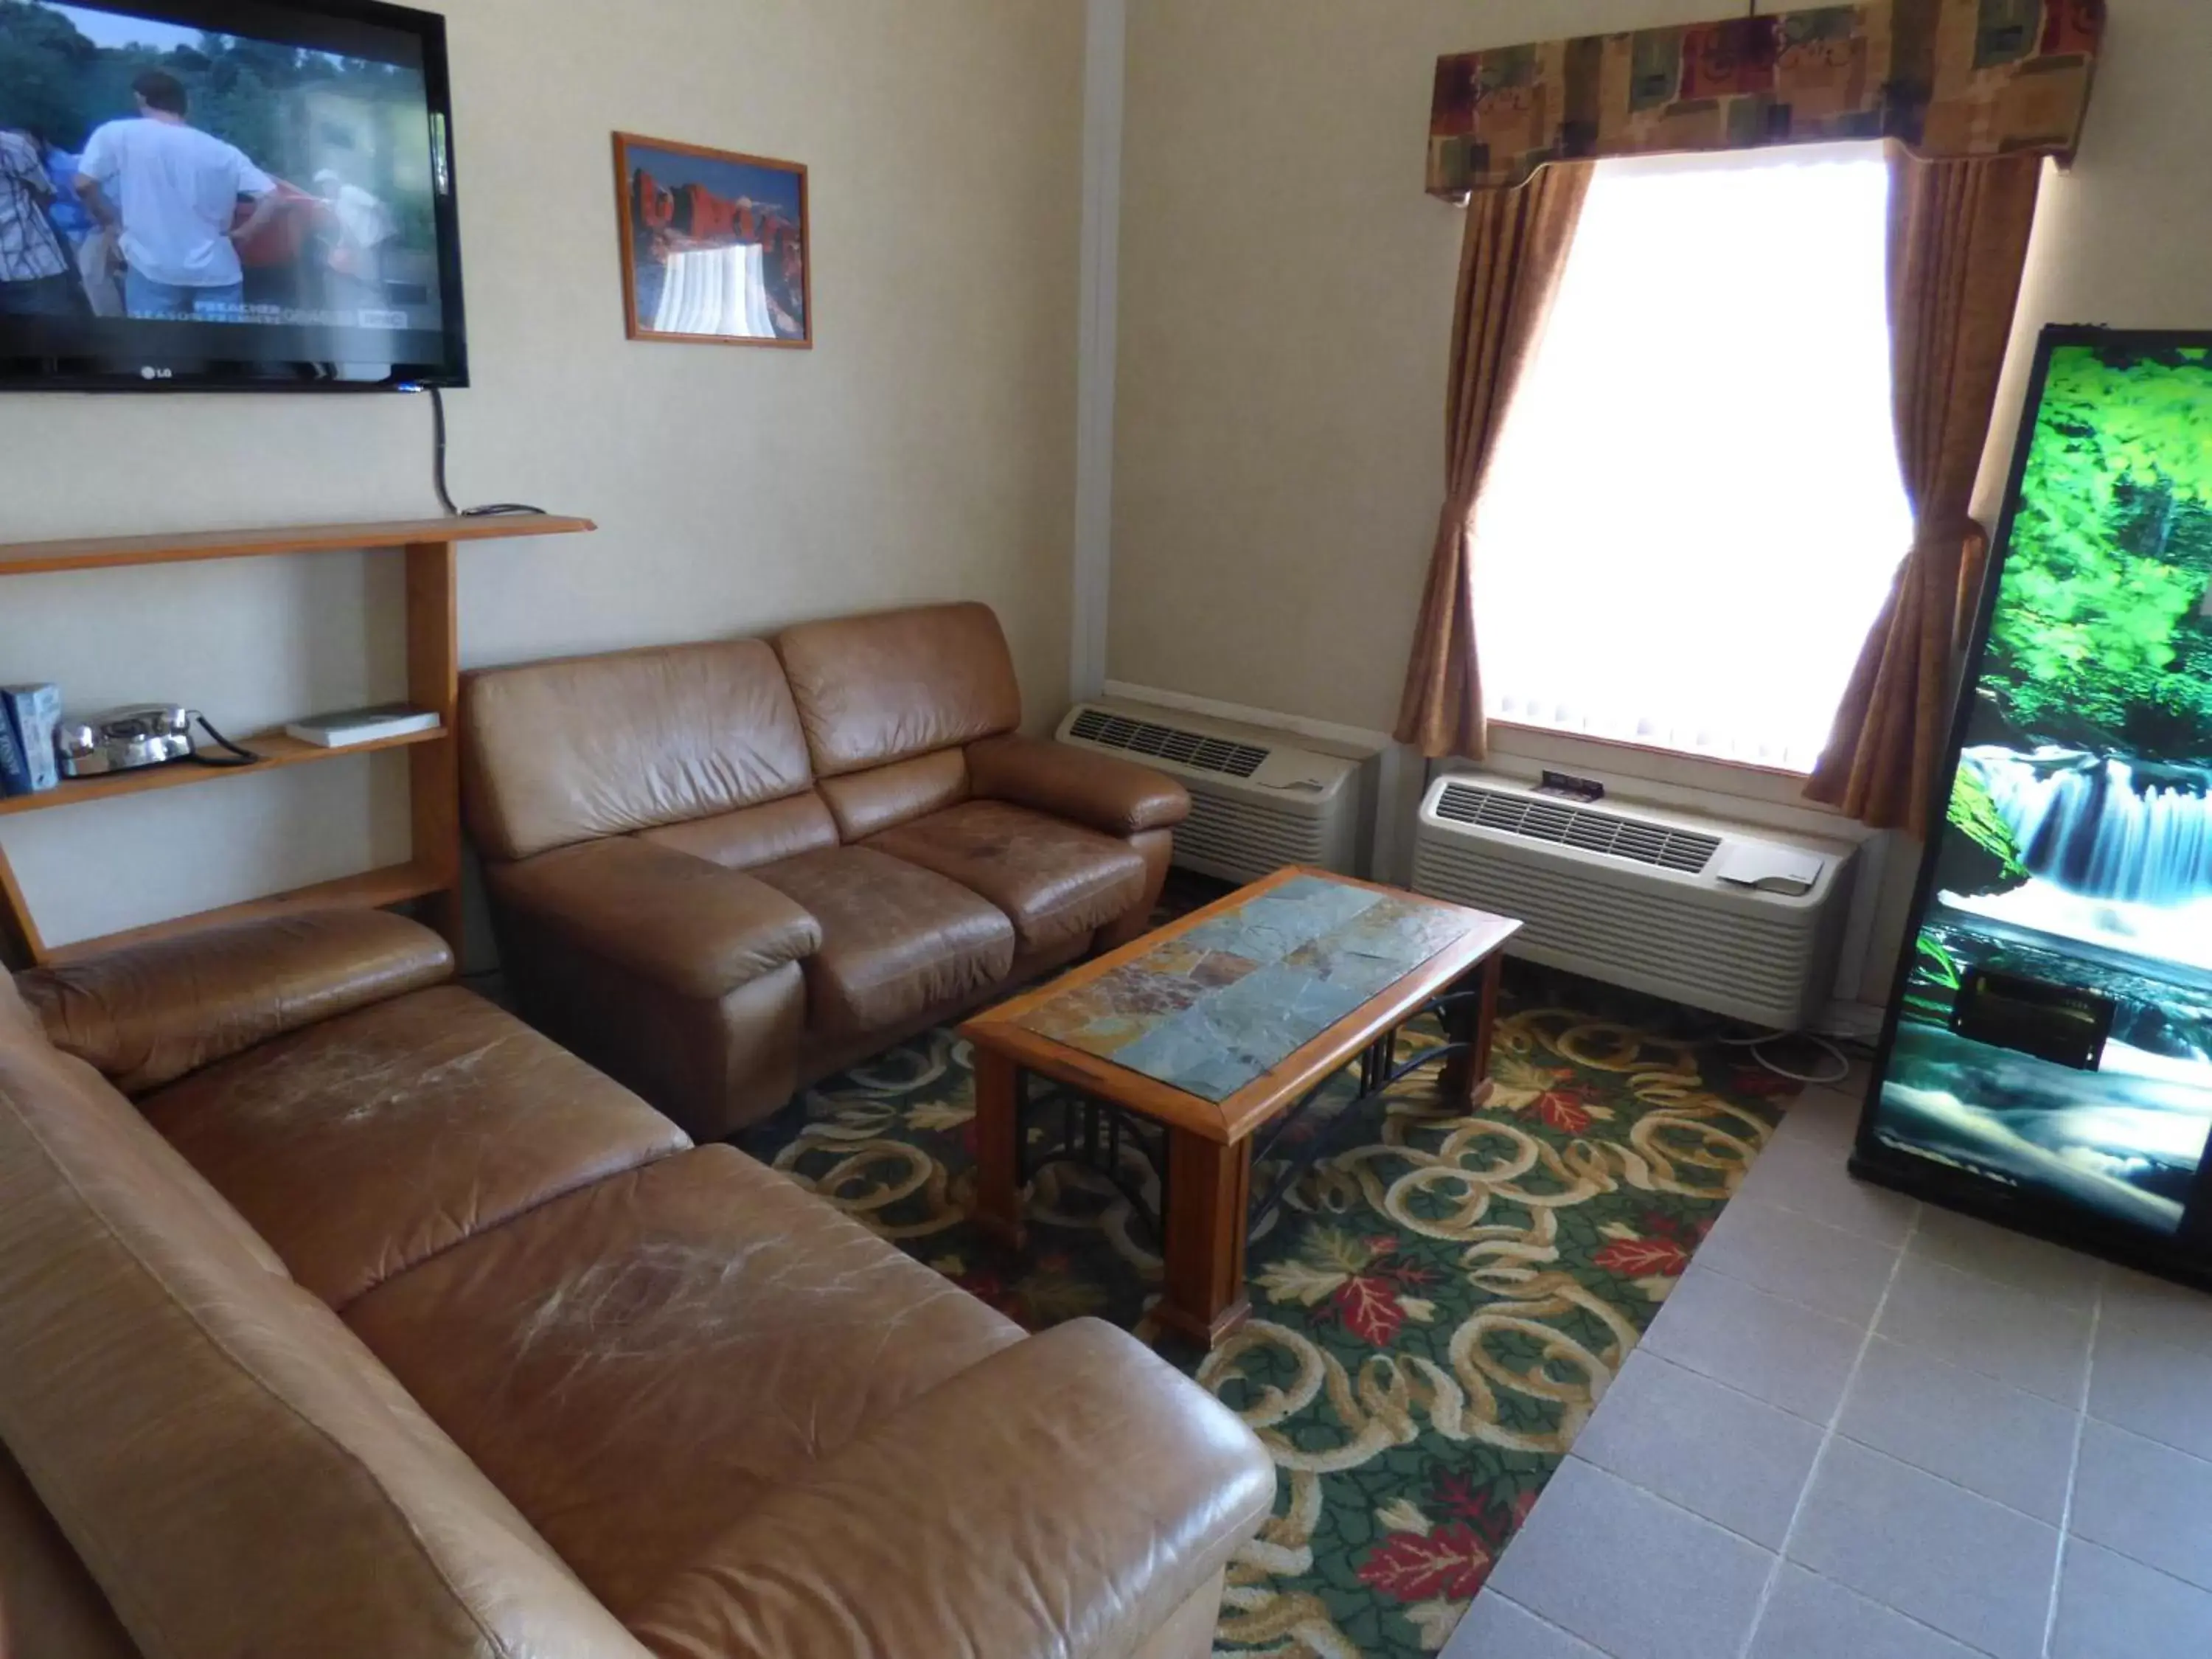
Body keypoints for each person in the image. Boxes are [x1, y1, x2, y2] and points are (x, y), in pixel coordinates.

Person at [73, 70, 280, 321]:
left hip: (152, 267)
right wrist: (243, 234)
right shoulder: (224, 151)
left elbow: (84, 185)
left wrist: (111, 224)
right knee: (222, 352)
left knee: (157, 352)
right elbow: (272, 197)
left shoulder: (118, 133)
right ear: (186, 105)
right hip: (218, 271)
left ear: (141, 99)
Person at [0, 125, 77, 316]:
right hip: (31, 265)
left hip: (31, 269)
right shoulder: (11, 145)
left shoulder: (10, 145)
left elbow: (44, 193)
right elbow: (44, 194)